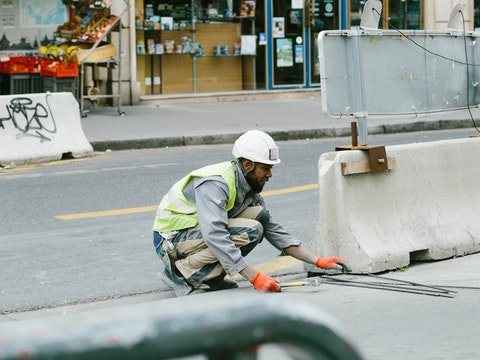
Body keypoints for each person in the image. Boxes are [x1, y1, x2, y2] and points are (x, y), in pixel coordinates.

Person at [152, 130, 349, 296]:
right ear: (248, 165)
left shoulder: (247, 186)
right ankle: (180, 274)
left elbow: (273, 229)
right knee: (251, 230)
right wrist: (254, 276)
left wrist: (316, 260)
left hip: (192, 235)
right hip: (171, 240)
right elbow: (215, 235)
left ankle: (211, 277)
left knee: (259, 216)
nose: (270, 174)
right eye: (266, 168)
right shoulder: (216, 183)